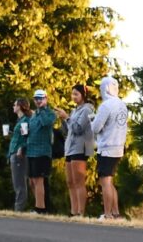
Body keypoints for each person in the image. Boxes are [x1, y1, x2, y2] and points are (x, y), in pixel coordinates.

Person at [91, 76, 128, 220]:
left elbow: (96, 128)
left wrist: (92, 120)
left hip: (106, 147)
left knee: (105, 182)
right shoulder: (121, 104)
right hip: (118, 147)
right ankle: (116, 213)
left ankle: (107, 214)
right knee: (110, 181)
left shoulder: (106, 105)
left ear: (105, 88)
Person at [55, 84, 95, 217]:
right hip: (69, 149)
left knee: (78, 181)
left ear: (83, 95)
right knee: (70, 182)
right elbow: (68, 130)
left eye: (76, 94)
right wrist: (63, 119)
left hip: (80, 148)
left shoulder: (87, 110)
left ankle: (81, 212)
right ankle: (73, 211)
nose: (73, 96)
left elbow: (78, 129)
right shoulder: (74, 111)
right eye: (72, 94)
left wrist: (67, 117)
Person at [26, 89, 56, 214]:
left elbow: (46, 123)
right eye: (36, 99)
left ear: (46, 99)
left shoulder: (49, 113)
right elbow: (30, 131)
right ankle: (38, 205)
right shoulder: (33, 115)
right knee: (32, 181)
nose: (38, 101)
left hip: (42, 152)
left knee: (39, 180)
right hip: (31, 150)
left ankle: (40, 208)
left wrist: (43, 109)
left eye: (41, 98)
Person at [8, 98, 32, 211]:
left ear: (20, 106)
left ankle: (19, 209)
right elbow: (21, 135)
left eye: (14, 104)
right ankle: (18, 208)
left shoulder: (24, 121)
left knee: (19, 183)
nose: (13, 106)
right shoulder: (20, 120)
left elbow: (25, 137)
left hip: (19, 155)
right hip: (13, 152)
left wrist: (22, 148)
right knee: (16, 182)